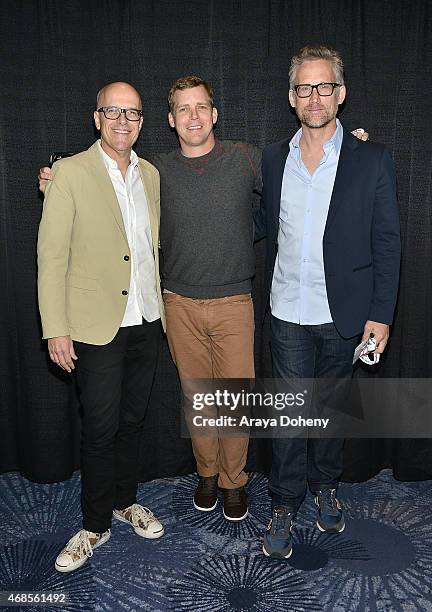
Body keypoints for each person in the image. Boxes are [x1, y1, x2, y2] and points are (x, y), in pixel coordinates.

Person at [38, 75, 368, 524]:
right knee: (198, 400)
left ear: (214, 114)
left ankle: (235, 482)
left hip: (234, 301)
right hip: (176, 303)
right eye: (183, 109)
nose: (193, 116)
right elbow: (105, 195)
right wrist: (55, 175)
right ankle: (207, 474)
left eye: (201, 108)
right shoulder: (153, 171)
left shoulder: (247, 159)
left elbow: (300, 163)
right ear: (171, 120)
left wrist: (352, 147)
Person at [256, 45, 401, 559]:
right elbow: (259, 225)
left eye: (324, 87)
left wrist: (380, 315)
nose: (313, 97)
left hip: (345, 314)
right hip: (287, 312)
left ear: (340, 94)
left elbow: (388, 242)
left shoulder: (372, 158)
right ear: (291, 98)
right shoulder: (274, 158)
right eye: (303, 88)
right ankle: (284, 501)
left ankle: (325, 487)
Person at [37, 82, 165, 572]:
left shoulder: (149, 174)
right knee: (101, 428)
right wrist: (56, 327)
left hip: (147, 319)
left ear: (141, 122)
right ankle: (94, 525)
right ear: (97, 118)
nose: (122, 121)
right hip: (94, 326)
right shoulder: (69, 173)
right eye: (113, 111)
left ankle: (123, 501)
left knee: (132, 423)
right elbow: (51, 257)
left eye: (132, 113)